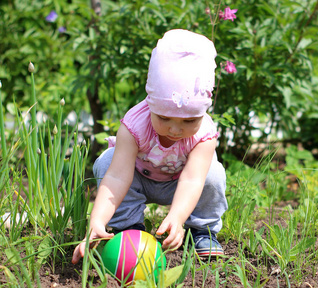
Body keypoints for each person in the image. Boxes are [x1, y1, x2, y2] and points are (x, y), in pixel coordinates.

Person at [72, 29, 228, 264]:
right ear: (151, 103)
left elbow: (192, 181)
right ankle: (129, 227)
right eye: (164, 118)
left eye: (189, 121)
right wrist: (97, 220)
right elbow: (116, 177)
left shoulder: (204, 133)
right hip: (138, 179)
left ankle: (201, 230)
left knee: (213, 174)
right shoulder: (135, 124)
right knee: (107, 161)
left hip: (179, 184)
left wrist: (176, 217)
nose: (175, 130)